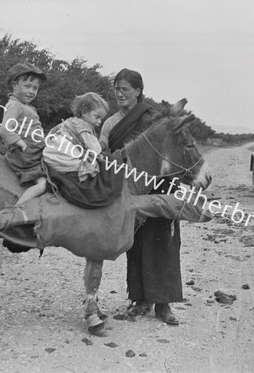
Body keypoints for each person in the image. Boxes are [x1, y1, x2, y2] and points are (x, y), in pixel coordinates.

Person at [99, 68, 182, 325]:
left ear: (138, 91)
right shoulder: (111, 123)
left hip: (158, 187)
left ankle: (163, 305)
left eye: (125, 88)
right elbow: (102, 153)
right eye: (116, 88)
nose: (120, 93)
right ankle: (140, 300)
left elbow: (168, 150)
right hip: (129, 190)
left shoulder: (153, 118)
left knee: (162, 243)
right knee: (134, 246)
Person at [43, 93, 123, 209]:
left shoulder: (70, 121)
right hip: (64, 155)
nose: (99, 121)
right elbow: (95, 149)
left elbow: (52, 132)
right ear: (84, 112)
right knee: (93, 165)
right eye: (97, 117)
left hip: (51, 151)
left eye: (101, 118)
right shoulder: (84, 127)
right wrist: (101, 155)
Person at [0, 62, 48, 204]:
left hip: (33, 151)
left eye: (35, 88)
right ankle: (17, 209)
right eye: (27, 86)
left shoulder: (25, 106)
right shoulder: (15, 105)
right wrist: (21, 144)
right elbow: (5, 128)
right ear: (15, 85)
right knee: (42, 184)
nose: (31, 91)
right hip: (27, 155)